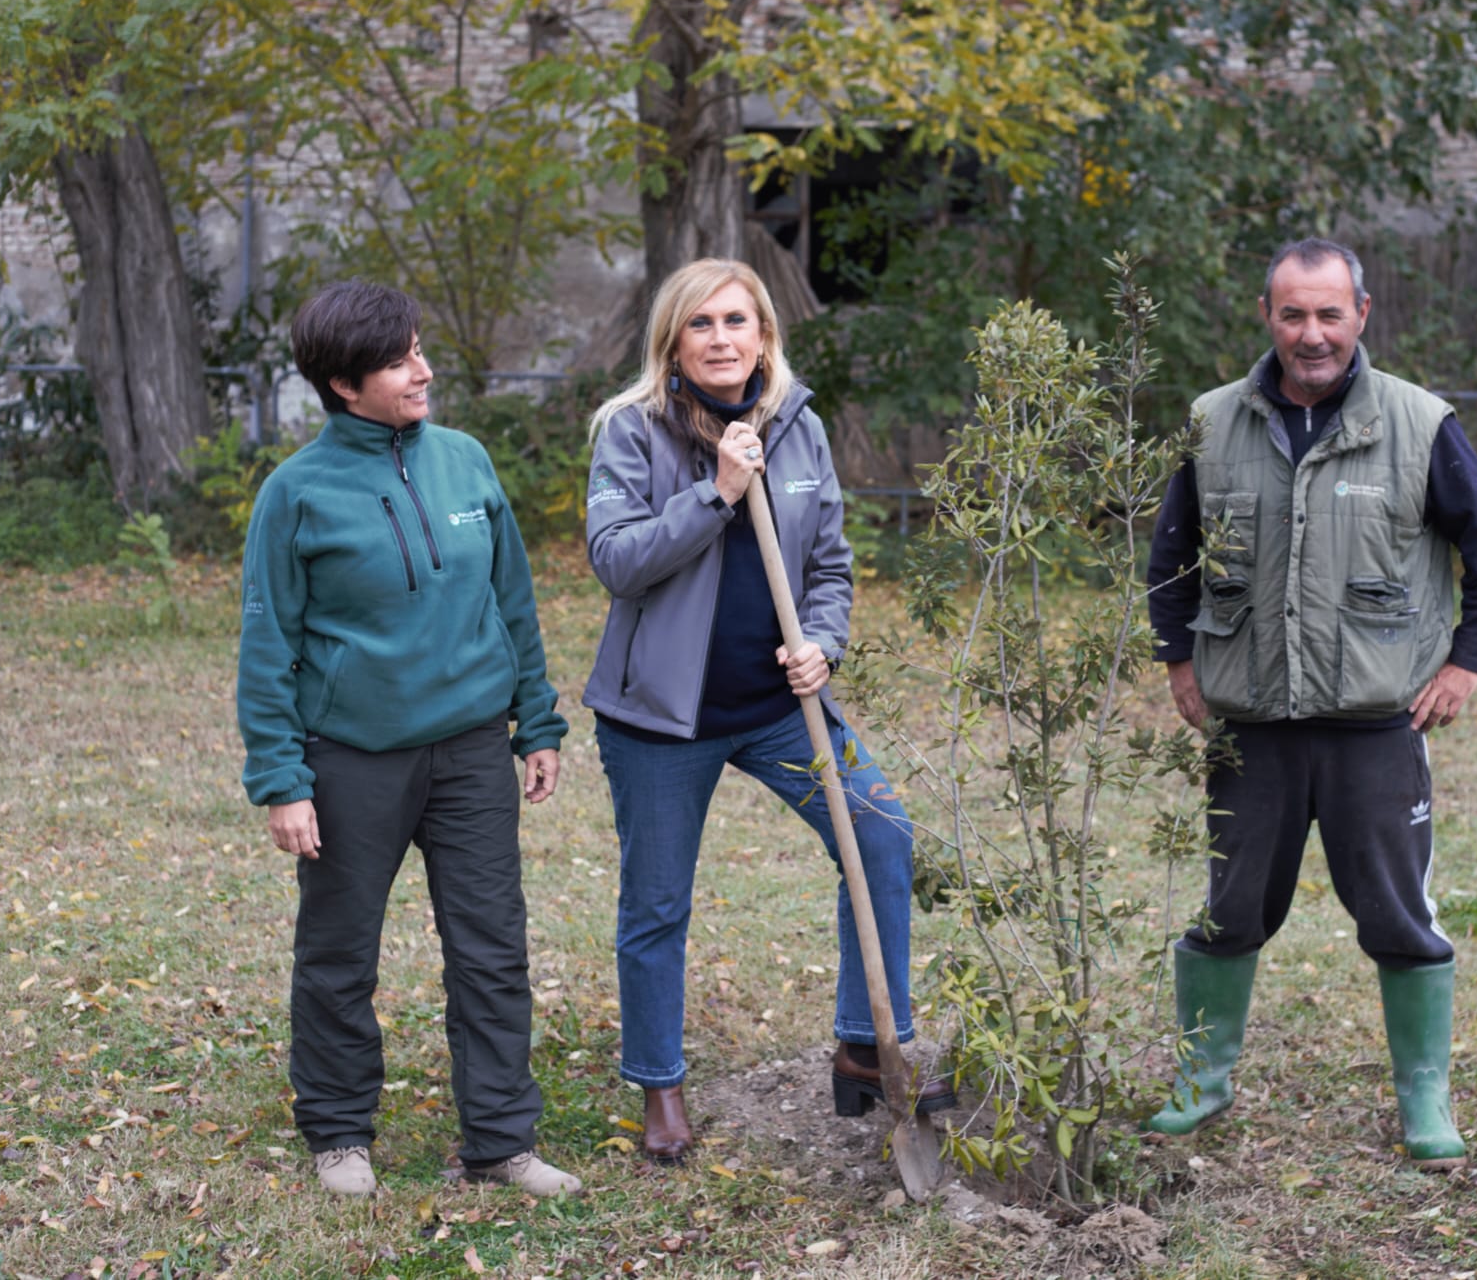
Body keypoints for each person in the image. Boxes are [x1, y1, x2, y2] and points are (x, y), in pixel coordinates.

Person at [1143, 238, 1477, 1168]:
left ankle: (1424, 1097)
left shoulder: (1419, 422)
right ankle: (1203, 1078)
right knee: (1230, 908)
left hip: (1375, 726)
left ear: (1361, 315)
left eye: (1328, 314)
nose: (1311, 334)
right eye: (1292, 314)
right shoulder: (1212, 421)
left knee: (1399, 914)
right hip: (1252, 726)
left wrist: (1467, 664)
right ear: (1267, 318)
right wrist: (1179, 664)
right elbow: (1171, 555)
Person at [580, 257, 953, 1165]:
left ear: (764, 335)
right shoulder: (632, 432)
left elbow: (828, 564)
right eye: (701, 324)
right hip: (663, 717)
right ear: (673, 339)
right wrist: (716, 492)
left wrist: (825, 640)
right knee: (658, 902)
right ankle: (660, 1082)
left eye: (737, 321)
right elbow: (617, 560)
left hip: (781, 706)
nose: (721, 339)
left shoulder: (797, 427)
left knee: (880, 832)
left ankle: (870, 1045)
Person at [236, 281, 579, 1199]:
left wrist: (535, 720)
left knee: (491, 946)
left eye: (419, 349)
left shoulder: (466, 462)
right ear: (345, 385)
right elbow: (267, 642)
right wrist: (281, 777)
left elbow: (513, 602)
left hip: (471, 748)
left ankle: (504, 1142)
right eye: (399, 360)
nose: (423, 370)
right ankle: (340, 1132)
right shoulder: (295, 495)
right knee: (341, 952)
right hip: (351, 758)